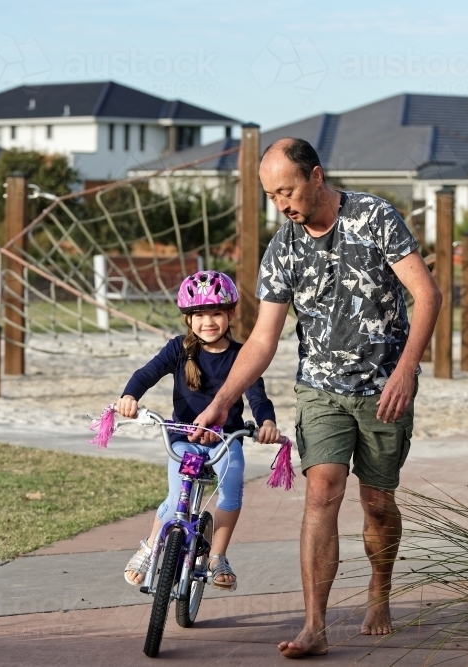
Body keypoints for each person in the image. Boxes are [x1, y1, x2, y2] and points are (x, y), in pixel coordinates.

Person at [190, 138, 442, 658]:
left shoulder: (374, 217)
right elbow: (263, 339)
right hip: (320, 389)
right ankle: (315, 626)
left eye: (287, 190)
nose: (281, 203)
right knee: (322, 491)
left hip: (383, 389)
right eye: (271, 195)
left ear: (317, 177)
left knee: (377, 502)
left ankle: (379, 590)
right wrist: (220, 402)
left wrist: (405, 371)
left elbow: (427, 295)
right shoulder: (283, 246)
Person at [117, 270, 282, 591]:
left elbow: (257, 396)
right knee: (174, 497)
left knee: (232, 491)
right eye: (199, 314)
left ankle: (217, 556)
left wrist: (267, 423)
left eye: (216, 313)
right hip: (184, 440)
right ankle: (151, 547)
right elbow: (147, 373)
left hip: (224, 441)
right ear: (188, 319)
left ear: (231, 314)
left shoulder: (240, 356)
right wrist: (129, 396)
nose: (208, 322)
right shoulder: (178, 349)